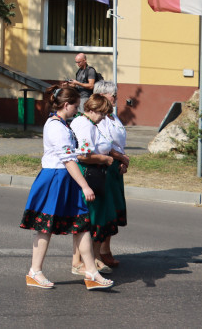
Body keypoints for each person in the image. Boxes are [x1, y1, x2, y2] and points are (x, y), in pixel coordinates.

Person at [20, 85, 112, 290]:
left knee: (81, 225)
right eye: (75, 106)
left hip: (65, 179)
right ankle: (34, 272)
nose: (77, 110)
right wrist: (85, 186)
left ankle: (91, 272)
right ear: (66, 104)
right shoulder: (55, 126)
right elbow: (69, 160)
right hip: (55, 179)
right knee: (46, 227)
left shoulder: (63, 124)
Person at [69, 93, 120, 275]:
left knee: (98, 218)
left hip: (97, 172)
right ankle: (81, 262)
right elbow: (83, 155)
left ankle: (92, 259)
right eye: (102, 113)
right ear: (92, 110)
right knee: (88, 218)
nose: (103, 117)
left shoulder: (91, 123)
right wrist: (104, 159)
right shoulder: (84, 124)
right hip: (90, 172)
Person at [94, 80, 129, 268]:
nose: (115, 97)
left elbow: (119, 143)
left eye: (115, 94)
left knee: (113, 211)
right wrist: (121, 158)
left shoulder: (114, 117)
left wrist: (123, 161)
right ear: (101, 95)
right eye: (112, 94)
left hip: (116, 167)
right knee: (105, 211)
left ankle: (106, 249)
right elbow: (103, 144)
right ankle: (97, 253)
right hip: (105, 166)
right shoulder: (101, 119)